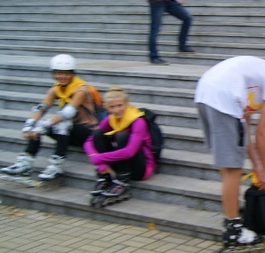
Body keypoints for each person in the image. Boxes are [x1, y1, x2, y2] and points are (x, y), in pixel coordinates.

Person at [194, 56, 265, 253]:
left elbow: (244, 127)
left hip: (205, 93)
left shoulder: (257, 80)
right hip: (222, 99)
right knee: (233, 170)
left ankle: (231, 219)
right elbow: (260, 133)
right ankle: (234, 232)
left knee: (227, 167)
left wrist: (256, 166)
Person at [1, 54, 102, 182]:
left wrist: (45, 125)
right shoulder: (56, 89)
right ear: (53, 74)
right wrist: (29, 125)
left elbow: (68, 112)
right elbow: (41, 108)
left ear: (72, 73)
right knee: (38, 125)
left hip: (88, 133)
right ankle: (25, 163)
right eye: (59, 73)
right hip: (69, 132)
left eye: (66, 73)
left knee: (60, 124)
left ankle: (56, 165)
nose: (62, 76)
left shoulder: (81, 89)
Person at [83, 87, 156, 203]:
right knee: (98, 133)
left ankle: (123, 180)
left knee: (122, 136)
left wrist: (98, 158)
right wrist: (99, 163)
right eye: (112, 107)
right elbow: (88, 142)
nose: (116, 110)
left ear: (127, 104)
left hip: (141, 168)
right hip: (122, 162)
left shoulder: (138, 121)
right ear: (106, 107)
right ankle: (105, 177)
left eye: (120, 105)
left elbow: (130, 151)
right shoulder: (110, 119)